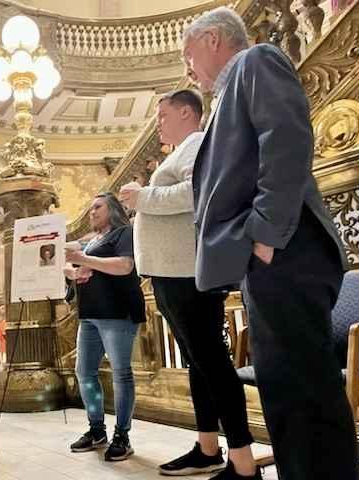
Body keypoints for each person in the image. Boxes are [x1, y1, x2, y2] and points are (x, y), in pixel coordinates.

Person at [183, 7, 359, 480]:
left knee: (303, 394)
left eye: (189, 55)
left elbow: (286, 138)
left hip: (287, 248)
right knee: (287, 391)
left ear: (214, 40)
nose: (188, 69)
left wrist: (265, 232)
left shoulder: (256, 60)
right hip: (274, 254)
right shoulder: (231, 88)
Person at [119, 90, 259, 479]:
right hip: (173, 271)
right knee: (200, 364)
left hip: (186, 273)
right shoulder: (181, 150)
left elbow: (198, 194)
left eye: (163, 115)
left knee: (212, 363)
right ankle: (207, 447)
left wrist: (142, 196)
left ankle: (244, 463)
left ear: (186, 112)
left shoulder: (196, 144)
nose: (158, 122)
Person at [64, 192, 145, 462]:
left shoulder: (124, 232)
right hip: (89, 315)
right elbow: (90, 270)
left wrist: (84, 260)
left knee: (121, 373)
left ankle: (122, 435)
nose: (91, 212)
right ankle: (97, 430)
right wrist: (73, 272)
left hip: (117, 312)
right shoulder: (94, 241)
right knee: (84, 371)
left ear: (112, 209)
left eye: (97, 207)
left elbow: (125, 266)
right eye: (90, 208)